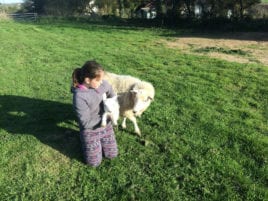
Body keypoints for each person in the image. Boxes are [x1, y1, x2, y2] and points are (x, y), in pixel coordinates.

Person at [72, 60, 118, 167]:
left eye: (102, 79)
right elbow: (85, 123)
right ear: (87, 80)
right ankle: (84, 140)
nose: (102, 82)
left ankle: (100, 143)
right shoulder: (79, 96)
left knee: (112, 155)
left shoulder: (102, 84)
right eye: (98, 80)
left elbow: (113, 96)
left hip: (106, 127)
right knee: (94, 163)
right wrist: (108, 117)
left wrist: (114, 105)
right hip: (90, 130)